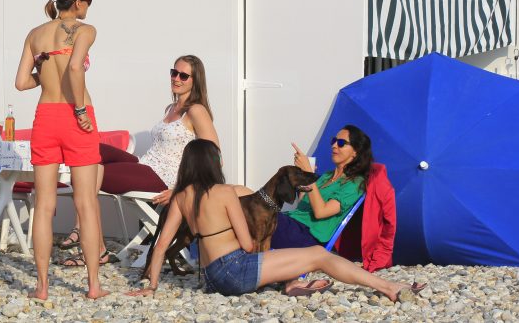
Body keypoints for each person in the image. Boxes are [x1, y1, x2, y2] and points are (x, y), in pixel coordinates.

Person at [129, 140, 424, 302]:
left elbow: (160, 245)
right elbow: (247, 243)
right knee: (319, 255)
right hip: (234, 272)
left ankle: (293, 283)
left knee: (296, 259)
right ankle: (388, 287)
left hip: (209, 279)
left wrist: (151, 286)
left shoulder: (181, 196)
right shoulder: (225, 194)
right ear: (212, 164)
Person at [58, 55, 220, 263]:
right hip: (145, 165)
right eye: (174, 72)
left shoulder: (196, 110)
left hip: (163, 177)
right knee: (91, 150)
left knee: (91, 171)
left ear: (195, 81)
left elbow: (214, 156)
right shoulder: (170, 109)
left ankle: (90, 241)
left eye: (183, 75)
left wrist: (182, 189)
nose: (176, 78)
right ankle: (88, 237)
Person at [15, 0, 108, 300]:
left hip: (45, 118)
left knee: (44, 206)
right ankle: (93, 286)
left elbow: (22, 83)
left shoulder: (35, 34)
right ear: (80, 2)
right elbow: (74, 70)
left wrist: (43, 70)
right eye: (88, 1)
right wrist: (81, 110)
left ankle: (41, 287)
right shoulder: (86, 30)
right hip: (73, 115)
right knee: (85, 203)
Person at [275, 125, 373, 251]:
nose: (334, 146)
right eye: (334, 141)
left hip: (306, 236)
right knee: (242, 194)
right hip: (292, 223)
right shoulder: (327, 176)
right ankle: (244, 263)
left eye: (341, 143)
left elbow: (321, 212)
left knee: (253, 213)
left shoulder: (355, 184)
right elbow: (302, 205)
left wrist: (310, 175)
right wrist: (304, 176)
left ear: (355, 151)